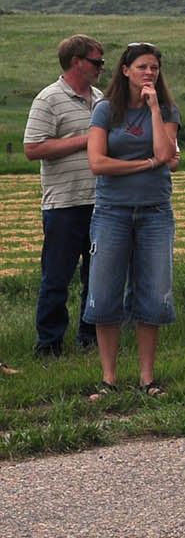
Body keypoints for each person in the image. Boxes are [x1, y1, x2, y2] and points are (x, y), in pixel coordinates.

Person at [83, 42, 181, 401]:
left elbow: (165, 153)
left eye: (154, 67)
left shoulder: (167, 108)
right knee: (105, 292)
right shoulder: (106, 110)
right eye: (142, 67)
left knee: (154, 294)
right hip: (112, 212)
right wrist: (144, 165)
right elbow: (98, 163)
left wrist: (154, 107)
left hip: (155, 211)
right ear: (125, 70)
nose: (149, 73)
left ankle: (147, 379)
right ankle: (109, 380)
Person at [25, 34, 105, 358]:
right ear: (76, 62)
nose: (101, 68)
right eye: (96, 62)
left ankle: (89, 340)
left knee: (95, 278)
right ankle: (49, 346)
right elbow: (33, 148)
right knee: (57, 280)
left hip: (100, 202)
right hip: (64, 205)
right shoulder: (48, 99)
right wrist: (86, 140)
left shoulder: (101, 98)